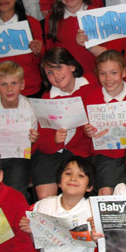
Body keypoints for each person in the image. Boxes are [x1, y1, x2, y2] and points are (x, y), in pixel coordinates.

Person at [32, 48, 99, 200]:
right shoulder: (47, 98)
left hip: (82, 152)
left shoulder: (92, 83)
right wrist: (54, 140)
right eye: (49, 72)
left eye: (58, 67)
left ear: (72, 66)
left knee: (76, 191)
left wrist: (91, 130)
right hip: (52, 152)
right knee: (44, 197)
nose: (55, 75)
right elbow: (42, 142)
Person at [83, 50, 126, 195]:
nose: (108, 79)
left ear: (124, 72)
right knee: (105, 192)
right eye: (102, 74)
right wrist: (87, 131)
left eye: (113, 73)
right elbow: (86, 128)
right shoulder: (91, 97)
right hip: (104, 155)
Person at [20, 156, 100, 252]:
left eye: (81, 175)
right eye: (68, 173)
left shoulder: (93, 209)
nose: (73, 178)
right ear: (59, 182)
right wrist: (31, 230)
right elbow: (36, 244)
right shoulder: (43, 205)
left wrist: (96, 235)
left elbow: (103, 242)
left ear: (89, 187)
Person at [0, 61, 39, 203]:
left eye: (14, 83)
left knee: (16, 190)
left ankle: (20, 216)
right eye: (4, 84)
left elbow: (31, 146)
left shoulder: (30, 108)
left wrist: (33, 139)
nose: (9, 89)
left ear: (22, 84)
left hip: (19, 156)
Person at [45, 0, 97, 74]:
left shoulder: (96, 15)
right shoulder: (52, 19)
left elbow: (108, 54)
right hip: (65, 81)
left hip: (94, 78)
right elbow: (50, 54)